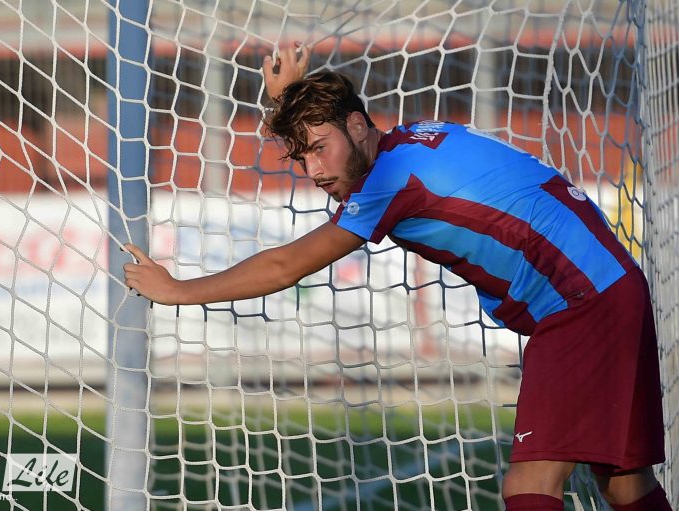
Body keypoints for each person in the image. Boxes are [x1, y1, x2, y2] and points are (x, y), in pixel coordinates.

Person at [123, 46, 671, 511]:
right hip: (612, 285)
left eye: (319, 150)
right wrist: (293, 101)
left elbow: (285, 265)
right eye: (303, 157)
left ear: (358, 126)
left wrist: (178, 291)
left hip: (579, 303)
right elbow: (334, 132)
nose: (314, 172)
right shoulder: (410, 139)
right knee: (622, 482)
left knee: (530, 485)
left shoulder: (388, 181)